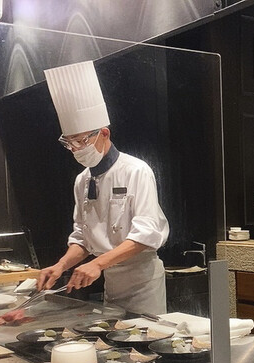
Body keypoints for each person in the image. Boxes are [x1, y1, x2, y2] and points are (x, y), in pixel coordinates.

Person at [37, 60, 169, 315]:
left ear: (104, 134)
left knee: (144, 336)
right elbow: (82, 239)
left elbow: (145, 235)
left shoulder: (136, 170)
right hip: (111, 280)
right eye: (69, 143)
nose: (75, 149)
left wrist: (97, 264)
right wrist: (61, 266)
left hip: (143, 283)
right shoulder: (82, 180)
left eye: (81, 141)